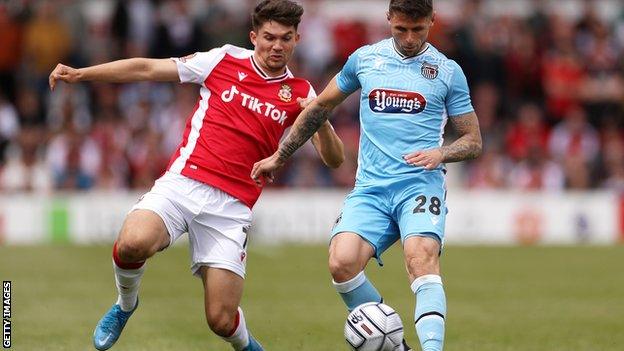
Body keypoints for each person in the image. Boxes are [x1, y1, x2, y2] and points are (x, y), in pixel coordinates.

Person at [49, 1, 344, 350]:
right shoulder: (223, 59)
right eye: (269, 37)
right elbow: (146, 68)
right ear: (254, 36)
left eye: (285, 38)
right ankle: (125, 305)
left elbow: (334, 159)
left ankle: (248, 345)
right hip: (185, 183)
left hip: (232, 208)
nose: (276, 46)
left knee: (220, 320)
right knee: (133, 242)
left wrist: (318, 116)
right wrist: (83, 74)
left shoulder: (300, 93)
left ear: (297, 40)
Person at [251, 1, 482, 350]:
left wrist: (442, 152)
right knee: (341, 262)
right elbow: (320, 107)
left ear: (432, 22)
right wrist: (280, 155)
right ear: (388, 18)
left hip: (419, 185)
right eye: (400, 28)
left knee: (421, 257)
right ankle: (396, 345)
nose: (408, 38)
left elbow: (473, 141)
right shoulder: (364, 60)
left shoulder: (448, 72)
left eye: (418, 30)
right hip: (371, 189)